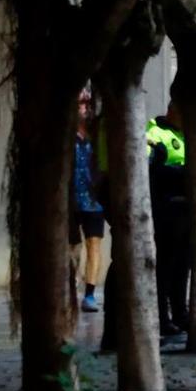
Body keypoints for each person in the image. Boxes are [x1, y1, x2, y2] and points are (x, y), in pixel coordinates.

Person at [145, 99, 190, 343]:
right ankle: (162, 317)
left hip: (185, 209)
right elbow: (150, 168)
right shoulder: (155, 132)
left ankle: (180, 314)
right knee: (165, 267)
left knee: (182, 266)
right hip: (166, 208)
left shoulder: (186, 134)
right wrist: (181, 173)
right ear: (172, 111)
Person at [70, 90, 107, 313]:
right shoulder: (67, 136)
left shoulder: (97, 135)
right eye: (80, 104)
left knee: (94, 245)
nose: (84, 108)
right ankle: (71, 285)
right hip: (71, 200)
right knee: (72, 247)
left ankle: (90, 294)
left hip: (94, 200)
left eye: (87, 104)